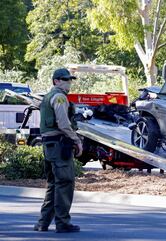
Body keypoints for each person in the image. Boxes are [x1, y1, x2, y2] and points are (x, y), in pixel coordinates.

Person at [34, 68, 83, 233]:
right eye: (65, 79)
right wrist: (76, 140)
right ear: (56, 81)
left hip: (50, 145)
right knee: (65, 182)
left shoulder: (48, 96)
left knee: (53, 184)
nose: (68, 82)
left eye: (70, 79)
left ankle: (43, 223)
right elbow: (63, 124)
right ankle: (62, 223)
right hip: (59, 145)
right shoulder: (60, 97)